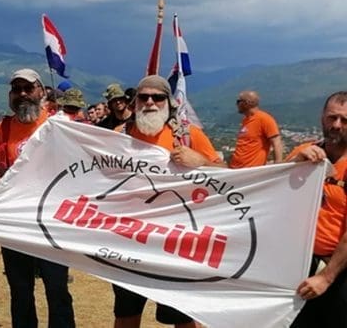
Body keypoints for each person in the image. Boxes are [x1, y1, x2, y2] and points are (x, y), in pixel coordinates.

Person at [113, 75, 223, 328]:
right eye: (143, 97)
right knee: (126, 314)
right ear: (135, 102)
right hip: (128, 242)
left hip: (176, 245)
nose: (150, 102)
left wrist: (202, 162)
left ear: (169, 102)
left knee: (182, 316)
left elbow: (229, 177)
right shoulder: (120, 135)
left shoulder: (188, 135)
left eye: (158, 97)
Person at [0, 68, 75, 328]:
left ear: (41, 91)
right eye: (17, 89)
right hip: (16, 225)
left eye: (28, 88)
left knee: (57, 290)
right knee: (20, 291)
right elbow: (0, 171)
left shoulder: (59, 125)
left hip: (51, 224)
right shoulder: (2, 129)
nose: (23, 94)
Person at [290, 91, 347, 326]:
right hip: (297, 263)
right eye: (332, 117)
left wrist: (326, 277)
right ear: (322, 117)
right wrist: (294, 163)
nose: (337, 125)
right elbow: (270, 187)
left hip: (336, 269)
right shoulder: (304, 151)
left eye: (345, 120)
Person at [228, 90, 284, 168]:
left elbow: (276, 142)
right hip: (236, 168)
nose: (236, 104)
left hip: (251, 170)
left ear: (247, 103)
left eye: (238, 101)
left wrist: (278, 165)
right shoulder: (245, 120)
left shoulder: (264, 119)